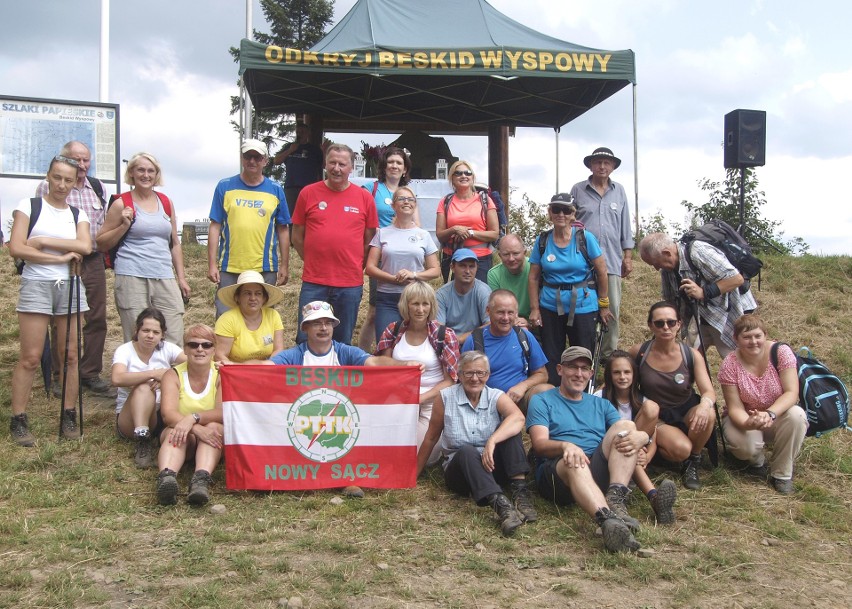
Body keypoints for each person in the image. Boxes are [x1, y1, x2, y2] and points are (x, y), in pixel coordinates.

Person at [527, 347, 646, 553]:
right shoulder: (542, 400)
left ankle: (615, 499)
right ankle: (607, 520)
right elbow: (539, 444)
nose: (579, 374)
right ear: (560, 370)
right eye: (572, 367)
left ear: (591, 374)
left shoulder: (602, 404)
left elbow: (625, 432)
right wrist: (566, 445)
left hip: (595, 466)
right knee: (575, 460)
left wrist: (643, 437)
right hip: (557, 471)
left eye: (584, 368)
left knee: (626, 427)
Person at [9, 155, 92, 446]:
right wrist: (60, 256)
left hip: (70, 284)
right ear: (48, 176)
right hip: (37, 283)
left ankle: (69, 412)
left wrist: (43, 242)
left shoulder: (76, 213)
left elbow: (86, 245)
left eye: (68, 179)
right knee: (31, 356)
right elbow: (16, 248)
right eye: (57, 177)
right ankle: (18, 417)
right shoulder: (28, 206)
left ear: (74, 181)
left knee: (70, 354)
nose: (61, 184)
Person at [417, 351, 536, 537]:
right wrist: (412, 475)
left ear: (487, 375)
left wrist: (493, 440)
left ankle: (520, 493)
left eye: (480, 373)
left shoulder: (495, 396)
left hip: (492, 466)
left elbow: (518, 417)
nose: (475, 378)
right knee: (466, 450)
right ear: (459, 375)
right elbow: (431, 437)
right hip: (461, 473)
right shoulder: (445, 397)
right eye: (469, 373)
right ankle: (501, 506)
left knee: (510, 433)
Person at [36, 141, 112, 396]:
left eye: (86, 160)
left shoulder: (98, 187)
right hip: (60, 260)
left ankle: (89, 373)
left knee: (97, 317)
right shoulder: (48, 186)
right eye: (76, 159)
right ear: (63, 159)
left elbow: (103, 226)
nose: (82, 165)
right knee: (62, 319)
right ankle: (61, 375)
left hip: (92, 259)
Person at [97, 152, 190, 344]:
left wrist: (181, 278)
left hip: (164, 274)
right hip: (131, 275)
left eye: (151, 171)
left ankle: (168, 373)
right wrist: (123, 225)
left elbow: (174, 243)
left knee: (173, 333)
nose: (145, 175)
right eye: (140, 170)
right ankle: (138, 374)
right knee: (137, 335)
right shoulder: (121, 203)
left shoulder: (165, 202)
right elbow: (101, 242)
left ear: (157, 175)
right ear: (131, 173)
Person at [292, 144, 378, 344]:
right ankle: (306, 374)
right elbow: (297, 235)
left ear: (351, 168)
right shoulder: (308, 193)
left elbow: (370, 239)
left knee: (341, 339)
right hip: (314, 281)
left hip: (349, 283)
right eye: (332, 162)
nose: (336, 168)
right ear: (325, 164)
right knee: (306, 337)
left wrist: (357, 263)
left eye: (342, 164)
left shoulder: (364, 197)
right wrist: (313, 260)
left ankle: (338, 375)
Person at [628, 302, 716, 490]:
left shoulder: (691, 355)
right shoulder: (639, 352)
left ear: (679, 324)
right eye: (659, 323)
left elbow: (709, 391)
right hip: (657, 415)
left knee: (708, 413)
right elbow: (620, 379)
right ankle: (673, 452)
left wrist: (704, 405)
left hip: (685, 408)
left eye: (670, 322)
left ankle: (694, 460)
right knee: (681, 449)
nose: (665, 327)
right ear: (650, 325)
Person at [528, 194, 612, 386]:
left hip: (583, 304)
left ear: (573, 214)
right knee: (551, 353)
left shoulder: (584, 238)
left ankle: (581, 394)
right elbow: (533, 277)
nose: (561, 214)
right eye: (556, 209)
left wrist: (604, 305)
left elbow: (602, 271)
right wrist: (534, 309)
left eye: (566, 210)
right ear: (549, 213)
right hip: (549, 305)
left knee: (583, 353)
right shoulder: (542, 241)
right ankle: (555, 395)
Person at [719, 314, 808, 494]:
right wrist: (748, 422)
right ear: (736, 339)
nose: (753, 341)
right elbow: (734, 407)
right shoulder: (729, 363)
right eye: (746, 337)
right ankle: (756, 461)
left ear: (765, 335)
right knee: (746, 447)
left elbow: (792, 393)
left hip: (777, 414)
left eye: (757, 336)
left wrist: (770, 413)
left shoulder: (781, 352)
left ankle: (782, 473)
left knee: (797, 415)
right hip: (746, 417)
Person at [638, 232, 757, 359]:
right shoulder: (667, 271)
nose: (656, 268)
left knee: (734, 360)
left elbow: (736, 279)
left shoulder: (699, 251)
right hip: (701, 316)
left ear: (667, 253)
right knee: (691, 359)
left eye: (655, 263)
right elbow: (670, 301)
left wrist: (703, 292)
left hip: (729, 313)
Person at [376, 281, 460, 460]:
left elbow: (451, 380)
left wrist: (420, 398)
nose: (420, 309)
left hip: (432, 401)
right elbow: (383, 367)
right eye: (415, 303)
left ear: (431, 306)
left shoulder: (444, 335)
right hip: (399, 398)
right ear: (406, 305)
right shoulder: (393, 330)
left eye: (425, 304)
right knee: (388, 450)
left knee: (423, 457)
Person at [208, 138, 291, 318]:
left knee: (264, 316)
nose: (252, 161)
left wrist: (285, 265)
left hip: (264, 266)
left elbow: (283, 229)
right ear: (241, 158)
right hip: (230, 265)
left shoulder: (276, 189)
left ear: (265, 161)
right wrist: (212, 264)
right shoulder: (224, 186)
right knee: (225, 316)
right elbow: (215, 225)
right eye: (248, 156)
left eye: (257, 157)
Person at [597, 351, 677, 524]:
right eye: (616, 372)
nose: (622, 377)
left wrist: (647, 455)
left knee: (650, 410)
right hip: (607, 454)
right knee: (625, 445)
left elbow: (653, 435)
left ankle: (651, 497)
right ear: (609, 376)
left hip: (632, 453)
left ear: (634, 375)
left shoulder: (642, 400)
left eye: (627, 372)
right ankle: (653, 496)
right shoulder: (598, 398)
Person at [570, 147, 634, 359]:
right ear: (590, 165)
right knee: (584, 307)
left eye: (607, 163)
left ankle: (607, 355)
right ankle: (584, 353)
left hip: (612, 261)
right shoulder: (578, 190)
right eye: (598, 162)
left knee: (612, 308)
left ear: (613, 166)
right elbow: (570, 223)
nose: (602, 166)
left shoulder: (620, 191)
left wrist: (627, 256)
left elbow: (625, 225)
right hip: (583, 262)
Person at [358, 146, 420, 350]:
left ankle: (398, 352)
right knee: (375, 310)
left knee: (406, 311)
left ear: (405, 169)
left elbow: (416, 225)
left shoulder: (408, 193)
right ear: (383, 166)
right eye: (391, 162)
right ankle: (364, 355)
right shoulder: (371, 188)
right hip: (380, 254)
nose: (394, 166)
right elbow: (360, 218)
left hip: (404, 256)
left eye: (399, 163)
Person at [156, 324, 223, 506]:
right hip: (181, 432)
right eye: (193, 345)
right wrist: (193, 427)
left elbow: (222, 412)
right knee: (175, 430)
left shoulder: (221, 375)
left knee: (214, 428)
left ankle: (201, 479)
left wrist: (193, 418)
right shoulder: (173, 374)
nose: (200, 349)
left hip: (209, 431)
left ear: (214, 350)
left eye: (206, 345)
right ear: (185, 349)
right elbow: (168, 414)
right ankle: (167, 478)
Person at [112, 308, 185, 468]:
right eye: (145, 330)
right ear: (136, 330)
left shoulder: (168, 348)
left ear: (162, 334)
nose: (150, 336)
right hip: (130, 418)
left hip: (162, 416)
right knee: (144, 388)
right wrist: (153, 373)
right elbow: (117, 378)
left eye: (155, 332)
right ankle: (142, 440)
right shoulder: (125, 350)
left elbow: (192, 365)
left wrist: (166, 377)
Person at [365, 187, 440, 343]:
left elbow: (435, 270)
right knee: (386, 343)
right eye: (401, 199)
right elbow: (370, 268)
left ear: (415, 205)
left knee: (415, 344)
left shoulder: (423, 235)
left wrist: (414, 275)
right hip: (388, 298)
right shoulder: (382, 233)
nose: (406, 201)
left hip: (416, 298)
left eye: (410, 199)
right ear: (393, 206)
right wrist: (392, 279)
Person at [461, 290, 552, 414]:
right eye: (500, 312)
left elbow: (542, 374)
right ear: (488, 311)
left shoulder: (524, 336)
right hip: (485, 402)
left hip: (518, 399)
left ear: (516, 314)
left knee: (547, 391)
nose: (505, 318)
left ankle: (544, 431)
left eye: (510, 313)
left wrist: (523, 386)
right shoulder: (475, 340)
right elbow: (463, 378)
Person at [435, 160, 499, 283]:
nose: (463, 176)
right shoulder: (445, 202)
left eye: (467, 173)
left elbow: (494, 233)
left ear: (472, 177)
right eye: (458, 173)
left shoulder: (485, 200)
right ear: (452, 179)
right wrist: (454, 229)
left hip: (480, 259)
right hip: (453, 259)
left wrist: (470, 233)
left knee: (480, 298)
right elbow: (440, 235)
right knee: (453, 299)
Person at [214, 270, 285, 365]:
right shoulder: (227, 319)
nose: (253, 298)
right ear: (237, 297)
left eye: (258, 293)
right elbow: (220, 355)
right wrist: (243, 369)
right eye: (247, 293)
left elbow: (279, 350)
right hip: (235, 371)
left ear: (264, 298)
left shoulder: (273, 315)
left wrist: (265, 367)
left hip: (266, 369)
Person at [435, 248, 491, 343]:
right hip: (448, 343)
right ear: (452, 267)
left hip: (476, 342)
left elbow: (490, 324)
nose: (468, 271)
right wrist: (452, 341)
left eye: (471, 266)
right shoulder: (441, 294)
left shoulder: (483, 291)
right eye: (462, 266)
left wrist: (461, 339)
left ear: (477, 268)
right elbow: (438, 328)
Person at [272, 121, 323, 217]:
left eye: (302, 132)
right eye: (298, 133)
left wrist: (325, 152)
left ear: (308, 133)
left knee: (309, 214)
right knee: (290, 215)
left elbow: (324, 166)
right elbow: (276, 161)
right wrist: (290, 151)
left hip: (309, 188)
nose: (300, 135)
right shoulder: (290, 147)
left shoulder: (314, 150)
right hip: (291, 187)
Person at [487, 233, 532, 324]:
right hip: (508, 320)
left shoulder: (534, 268)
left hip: (536, 320)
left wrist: (529, 322)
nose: (511, 259)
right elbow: (497, 306)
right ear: (500, 256)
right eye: (506, 254)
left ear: (524, 252)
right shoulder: (494, 274)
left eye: (516, 253)